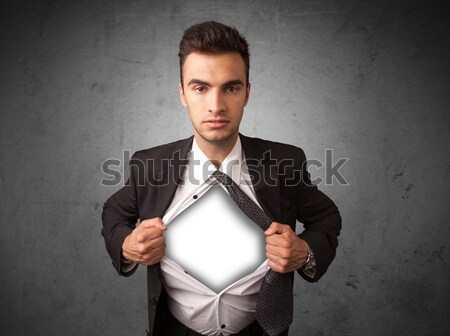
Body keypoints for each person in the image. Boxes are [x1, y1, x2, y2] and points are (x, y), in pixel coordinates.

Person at [102, 21, 341, 336]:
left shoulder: (286, 162)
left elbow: (327, 216)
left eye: (231, 87)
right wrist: (127, 245)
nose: (216, 106)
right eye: (200, 87)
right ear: (183, 94)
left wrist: (305, 251)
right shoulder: (149, 165)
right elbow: (113, 212)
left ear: (247, 93)